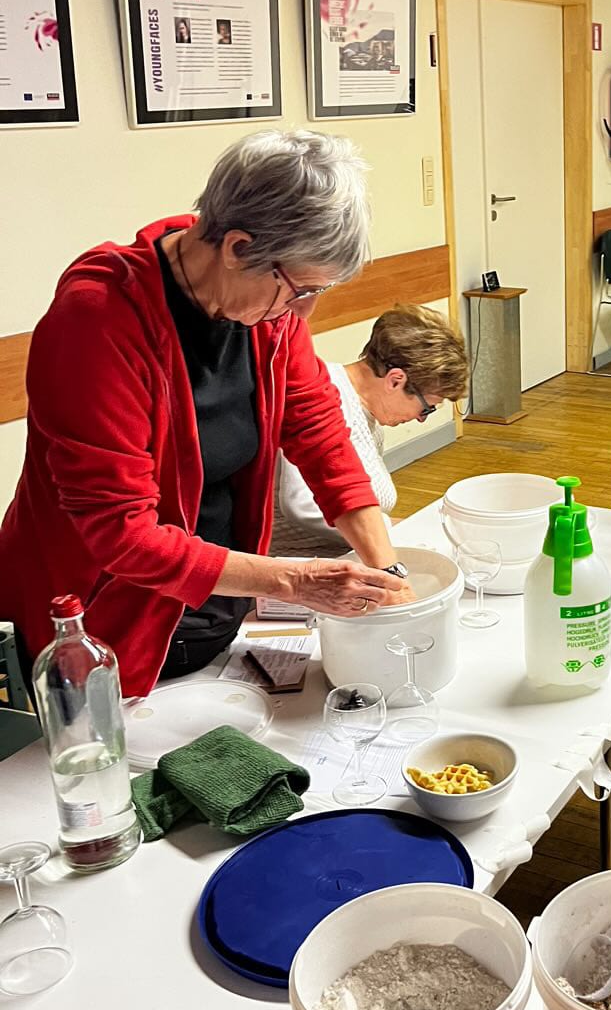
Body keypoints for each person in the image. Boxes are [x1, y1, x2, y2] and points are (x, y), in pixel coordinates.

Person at [0, 130, 413, 699]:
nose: (305, 312)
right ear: (237, 247)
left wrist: (387, 571)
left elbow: (318, 432)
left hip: (212, 607)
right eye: (302, 289)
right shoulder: (95, 321)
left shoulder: (268, 312)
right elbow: (121, 533)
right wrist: (295, 580)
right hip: (102, 626)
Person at [272, 303, 469, 556]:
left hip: (344, 553)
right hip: (300, 562)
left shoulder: (365, 414)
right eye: (427, 407)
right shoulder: (325, 399)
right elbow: (305, 504)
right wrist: (389, 530)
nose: (421, 419)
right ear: (395, 380)